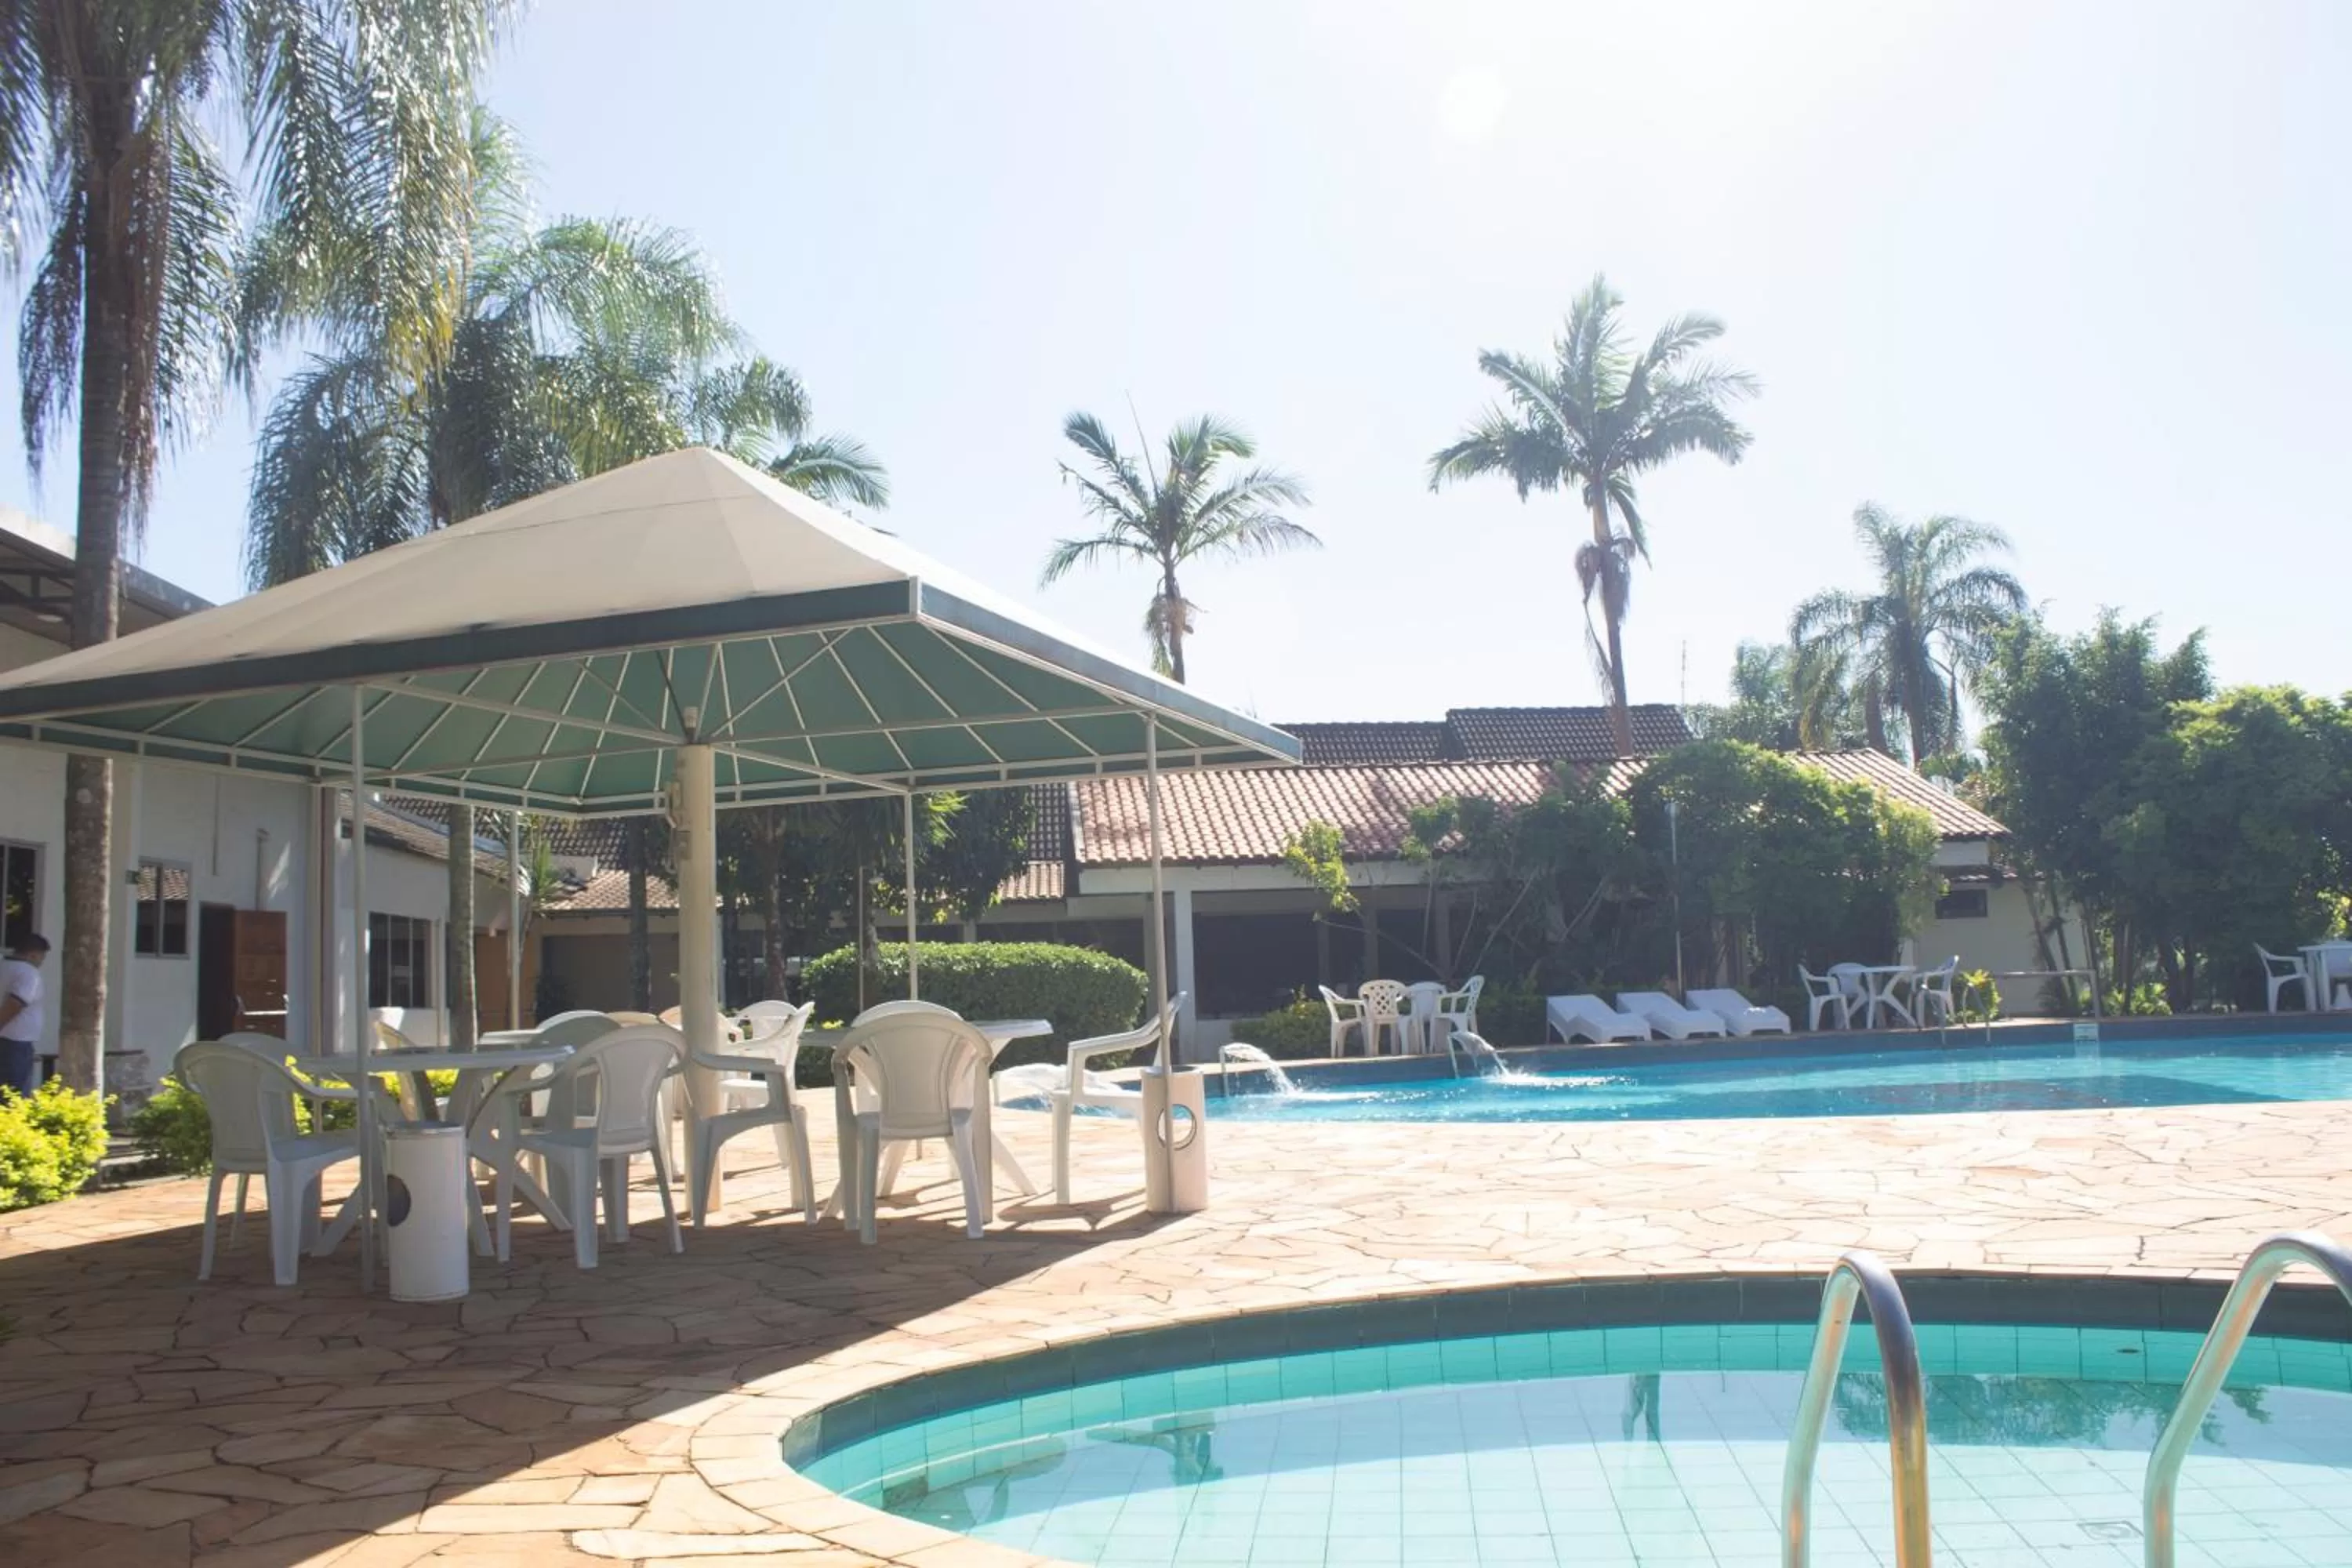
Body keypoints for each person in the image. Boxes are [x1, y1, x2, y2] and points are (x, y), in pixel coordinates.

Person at [0, 932, 49, 1098]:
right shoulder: (28, 973)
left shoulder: (4, 966)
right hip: (16, 1042)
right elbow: (15, 1004)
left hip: (9, 1040)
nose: (42, 961)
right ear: (33, 954)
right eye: (42, 956)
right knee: (15, 1096)